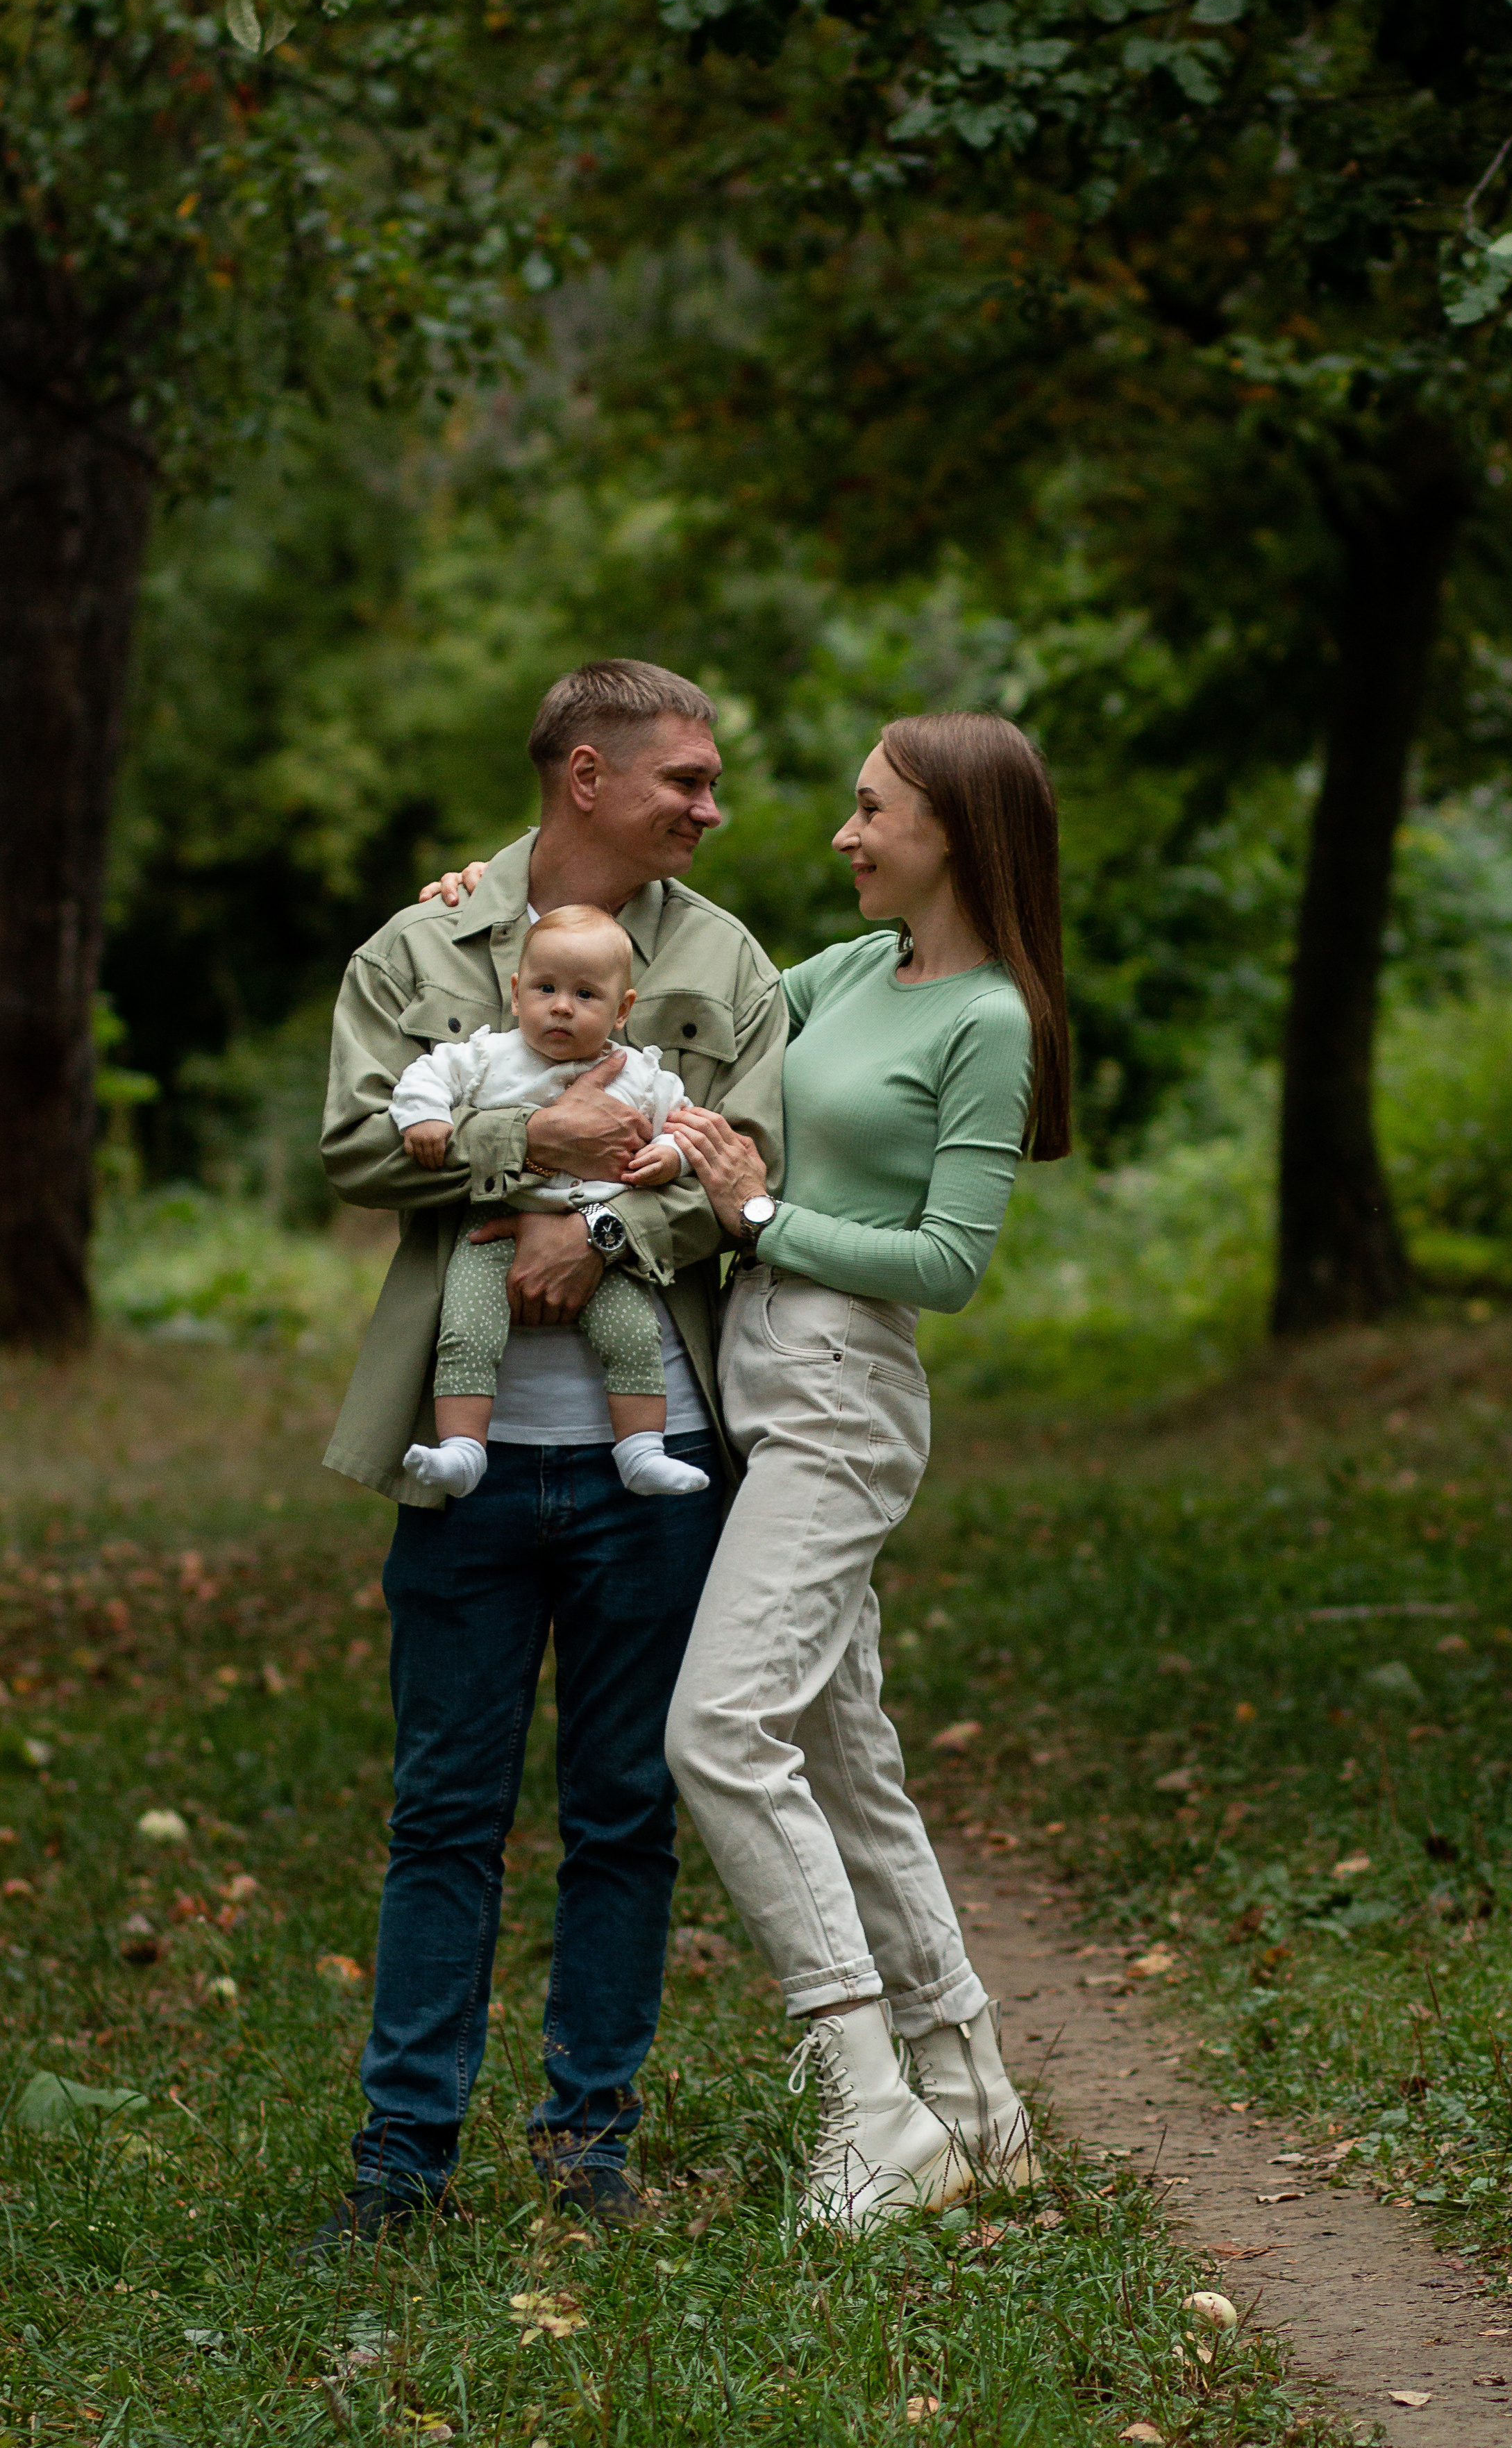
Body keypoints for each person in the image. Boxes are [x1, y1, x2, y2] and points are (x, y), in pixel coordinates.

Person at [314, 658, 786, 2246]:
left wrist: (596, 1235)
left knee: (622, 1809)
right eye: (686, 780)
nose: (712, 807)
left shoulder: (726, 964)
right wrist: (533, 1144)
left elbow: (753, 1163)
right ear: (587, 774)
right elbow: (357, 1140)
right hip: (464, 1457)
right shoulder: (421, 946)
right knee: (443, 1810)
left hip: (653, 1464)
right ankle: (401, 2167)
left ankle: (589, 2148)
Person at [661, 710, 1073, 2233]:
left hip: (842, 1392)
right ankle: (973, 2100)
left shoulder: (990, 1019)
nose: (843, 835)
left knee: (719, 1730)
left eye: (869, 809)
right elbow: (684, 1007)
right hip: (761, 1372)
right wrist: (503, 898)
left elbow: (950, 1264)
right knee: (846, 1761)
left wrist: (764, 1218)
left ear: (950, 829)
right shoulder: (849, 971)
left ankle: (869, 2105)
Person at [392, 903, 709, 1502]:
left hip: (603, 1240)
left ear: (622, 1009)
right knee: (466, 1327)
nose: (562, 1006)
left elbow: (689, 1128)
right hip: (493, 1224)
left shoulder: (641, 1076)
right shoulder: (488, 1057)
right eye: (545, 989)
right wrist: (428, 1117)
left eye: (586, 995)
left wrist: (671, 1156)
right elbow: (423, 1078)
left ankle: (642, 1452)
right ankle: (463, 1449)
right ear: (516, 994)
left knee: (634, 1335)